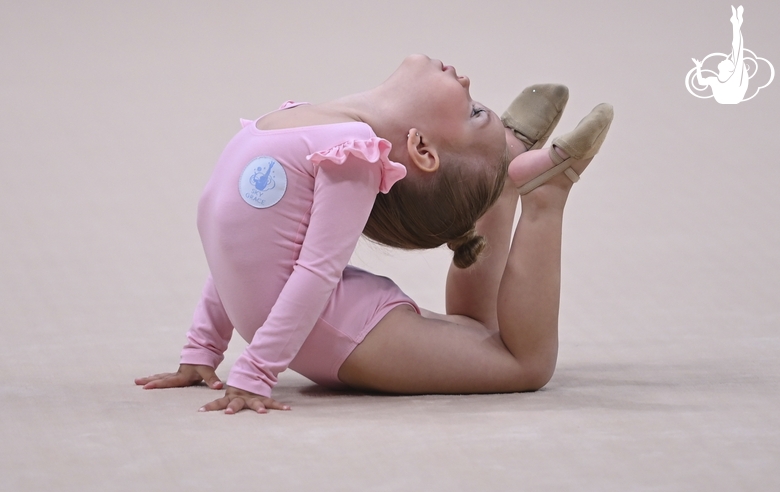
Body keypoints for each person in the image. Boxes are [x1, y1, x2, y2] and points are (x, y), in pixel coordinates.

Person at [135, 54, 613, 414]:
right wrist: (203, 348)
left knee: (523, 365)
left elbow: (317, 271)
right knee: (477, 333)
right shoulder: (301, 120)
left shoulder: (354, 154)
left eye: (472, 112)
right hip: (345, 323)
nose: (465, 79)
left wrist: (258, 371)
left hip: (352, 335)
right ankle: (506, 172)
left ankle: (543, 198)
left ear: (421, 146)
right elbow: (237, 251)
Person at [692, 5, 748, 104]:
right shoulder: (715, 80)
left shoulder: (734, 77)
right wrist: (698, 67)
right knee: (737, 51)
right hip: (729, 98)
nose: (724, 59)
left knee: (737, 50)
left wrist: (698, 68)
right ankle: (736, 23)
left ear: (729, 69)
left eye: (727, 61)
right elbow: (701, 82)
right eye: (728, 61)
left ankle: (736, 23)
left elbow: (737, 49)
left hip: (733, 97)